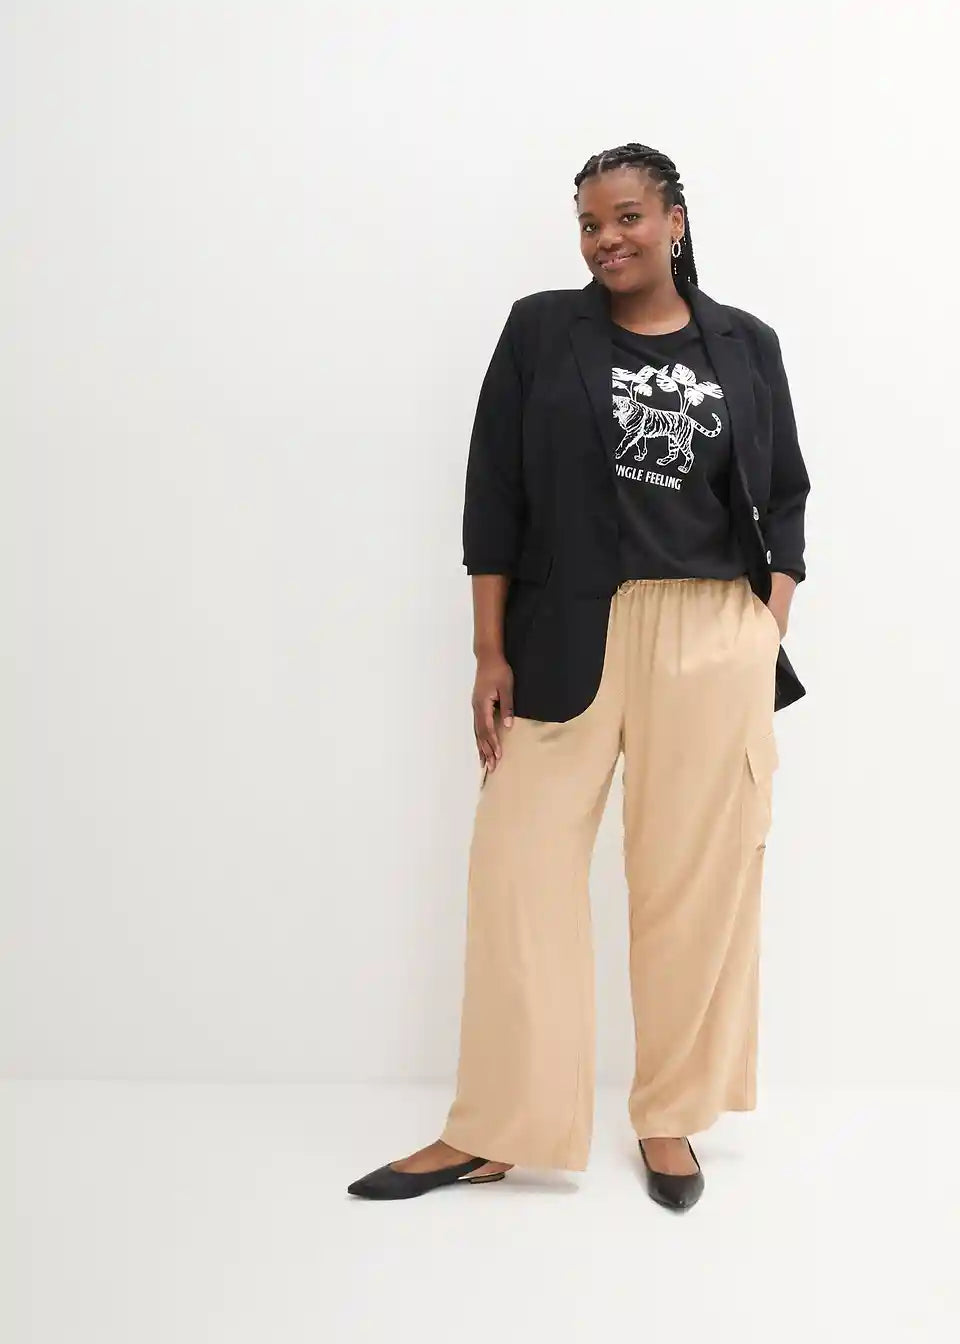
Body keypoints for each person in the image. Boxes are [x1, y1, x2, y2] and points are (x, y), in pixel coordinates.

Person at [347, 142, 810, 1211]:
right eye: (591, 224)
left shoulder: (746, 344)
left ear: (675, 219)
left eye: (627, 217)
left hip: (709, 634)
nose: (607, 239)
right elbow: (493, 492)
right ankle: (497, 1128)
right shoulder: (540, 331)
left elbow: (784, 493)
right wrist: (488, 649)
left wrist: (764, 623)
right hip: (566, 631)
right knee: (519, 872)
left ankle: (669, 1115)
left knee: (694, 884)